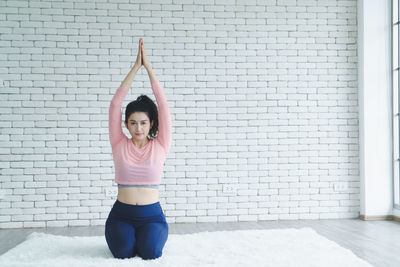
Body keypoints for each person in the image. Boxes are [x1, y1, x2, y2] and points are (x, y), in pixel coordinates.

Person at [105, 37, 171, 260]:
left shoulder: (160, 145)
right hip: (121, 215)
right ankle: (128, 237)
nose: (138, 127)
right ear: (126, 125)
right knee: (123, 252)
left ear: (151, 124)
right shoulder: (119, 143)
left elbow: (163, 106)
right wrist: (135, 68)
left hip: (152, 216)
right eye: (133, 122)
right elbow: (115, 105)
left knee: (150, 252)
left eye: (143, 122)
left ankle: (149, 236)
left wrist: (148, 68)